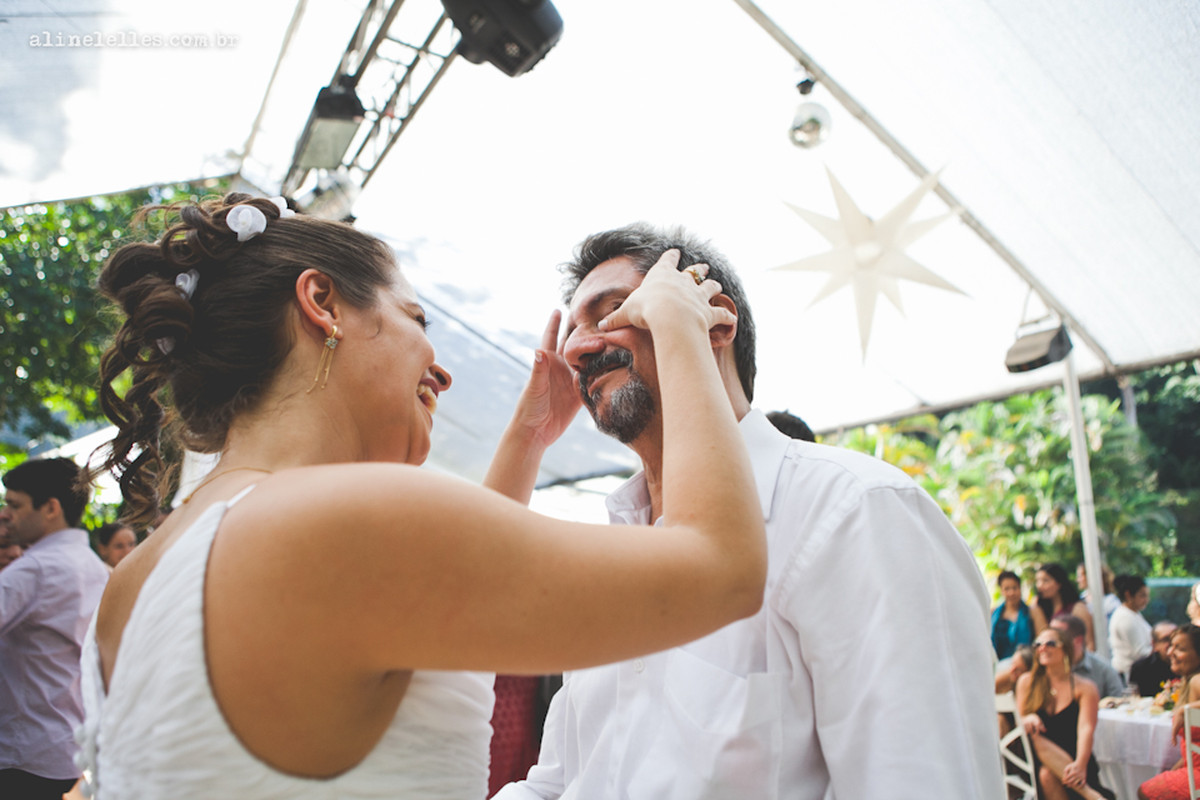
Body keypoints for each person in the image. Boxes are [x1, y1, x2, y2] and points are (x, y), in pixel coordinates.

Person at [76, 195, 768, 798]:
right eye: (416, 319)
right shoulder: (346, 522)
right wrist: (680, 329)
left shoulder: (138, 577)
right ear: (322, 305)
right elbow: (723, 567)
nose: (440, 369)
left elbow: (435, 618)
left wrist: (528, 439)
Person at [494, 223, 1003, 799]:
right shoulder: (608, 560)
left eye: (613, 312)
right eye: (573, 332)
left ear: (713, 322)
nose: (576, 349)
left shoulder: (857, 510)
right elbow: (560, 783)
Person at [0, 458, 110, 799]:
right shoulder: (93, 565)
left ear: (50, 508)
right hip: (62, 743)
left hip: (23, 750)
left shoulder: (34, 570)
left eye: (15, 505)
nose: (6, 514)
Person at [1016, 629, 1116, 800]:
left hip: (1073, 757)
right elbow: (1020, 721)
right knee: (1034, 736)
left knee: (1047, 775)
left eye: (1050, 643)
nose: (1042, 648)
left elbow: (1086, 729)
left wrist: (1080, 764)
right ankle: (1092, 796)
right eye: (1038, 644)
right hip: (1033, 759)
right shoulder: (1027, 682)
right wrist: (1027, 718)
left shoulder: (1084, 687)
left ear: (1066, 649)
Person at [1137, 624, 1200, 799]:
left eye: (1180, 648)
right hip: (1193, 767)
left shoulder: (1197, 680)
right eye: (1171, 645)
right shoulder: (1189, 682)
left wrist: (1185, 709)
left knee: (1146, 792)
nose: (1170, 652)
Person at [1051, 613, 1124, 700]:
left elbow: (1119, 701)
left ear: (1078, 640)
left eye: (1058, 637)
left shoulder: (1103, 670)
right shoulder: (1045, 668)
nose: (1050, 641)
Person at [1033, 563, 1095, 650]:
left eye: (1045, 581)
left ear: (1059, 583)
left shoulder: (1077, 608)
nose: (1039, 586)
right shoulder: (1040, 609)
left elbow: (1090, 642)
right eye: (1037, 581)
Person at [1108, 574, 1153, 683]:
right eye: (1142, 596)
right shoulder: (1124, 618)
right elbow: (1140, 652)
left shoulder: (1133, 613)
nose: (1146, 600)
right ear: (1128, 595)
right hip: (1129, 675)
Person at [1129, 621, 1180, 697]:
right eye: (1166, 639)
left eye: (1175, 638)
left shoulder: (1189, 665)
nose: (1172, 643)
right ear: (1154, 644)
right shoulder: (1140, 668)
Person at [993, 569, 1036, 659]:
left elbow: (1041, 639)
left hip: (1026, 661)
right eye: (1007, 589)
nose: (1011, 593)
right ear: (1001, 591)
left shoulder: (1033, 611)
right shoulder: (993, 614)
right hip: (997, 661)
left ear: (1020, 588)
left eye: (1015, 588)